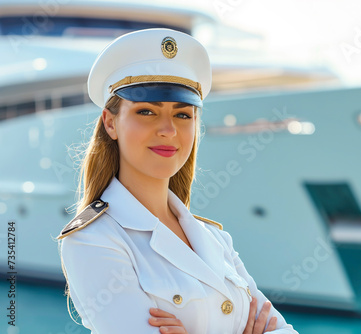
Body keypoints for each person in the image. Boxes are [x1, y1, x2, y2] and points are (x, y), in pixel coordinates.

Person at [57, 28, 299, 334]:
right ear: (110, 122)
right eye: (146, 111)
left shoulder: (214, 238)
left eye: (183, 115)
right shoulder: (94, 239)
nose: (168, 130)